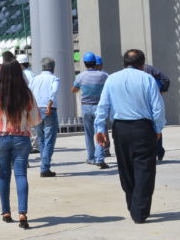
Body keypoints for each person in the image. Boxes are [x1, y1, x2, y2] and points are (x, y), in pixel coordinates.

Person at [95, 49, 166, 224]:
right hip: (143, 128)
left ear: (124, 62)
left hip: (120, 129)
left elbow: (103, 105)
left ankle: (132, 204)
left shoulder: (111, 79)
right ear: (142, 64)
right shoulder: (148, 79)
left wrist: (100, 128)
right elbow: (157, 108)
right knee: (144, 169)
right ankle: (139, 211)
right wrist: (158, 129)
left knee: (125, 167)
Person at [0, 60, 41, 230]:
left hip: (0, 136)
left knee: (3, 175)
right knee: (21, 174)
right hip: (21, 137)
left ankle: (6, 212)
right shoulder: (27, 93)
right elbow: (36, 118)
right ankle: (22, 213)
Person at [72, 52, 110, 169]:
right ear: (96, 63)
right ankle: (100, 158)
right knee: (100, 131)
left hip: (86, 107)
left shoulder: (80, 76)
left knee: (88, 134)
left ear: (84, 63)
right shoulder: (104, 76)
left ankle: (91, 158)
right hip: (100, 107)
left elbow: (74, 90)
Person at [28, 57, 60, 177]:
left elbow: (29, 93)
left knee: (41, 139)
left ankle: (44, 164)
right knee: (49, 140)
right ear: (52, 67)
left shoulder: (35, 79)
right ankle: (45, 167)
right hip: (48, 109)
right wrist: (50, 103)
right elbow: (54, 91)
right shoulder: (54, 78)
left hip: (36, 110)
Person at [143, 64, 170, 161]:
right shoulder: (149, 69)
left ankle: (155, 152)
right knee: (155, 125)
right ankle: (159, 151)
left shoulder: (145, 69)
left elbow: (166, 80)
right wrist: (161, 90)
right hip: (153, 100)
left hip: (142, 103)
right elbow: (165, 80)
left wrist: (161, 90)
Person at [16, 54, 39, 154]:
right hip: (30, 100)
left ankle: (33, 145)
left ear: (21, 65)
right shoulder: (31, 73)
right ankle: (34, 144)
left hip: (25, 100)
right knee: (31, 124)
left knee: (28, 124)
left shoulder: (23, 74)